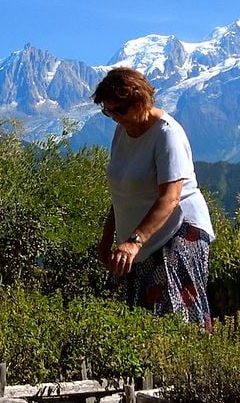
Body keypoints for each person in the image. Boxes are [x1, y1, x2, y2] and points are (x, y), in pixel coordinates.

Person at [92, 67, 214, 328]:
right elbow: (122, 193)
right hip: (141, 239)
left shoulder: (167, 133)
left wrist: (135, 241)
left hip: (178, 231)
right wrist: (107, 239)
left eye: (119, 111)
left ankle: (183, 368)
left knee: (173, 318)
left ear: (139, 101)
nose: (114, 117)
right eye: (108, 111)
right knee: (140, 317)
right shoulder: (122, 131)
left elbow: (170, 197)